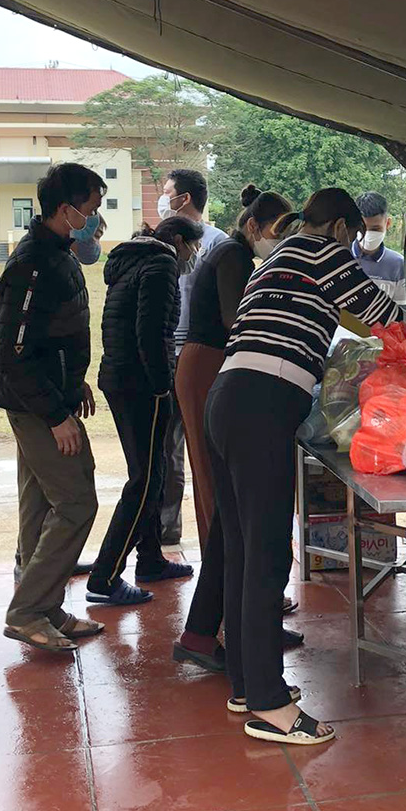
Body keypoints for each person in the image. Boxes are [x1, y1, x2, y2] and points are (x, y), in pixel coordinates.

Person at [207, 188, 406, 744]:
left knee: (242, 550)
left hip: (226, 398)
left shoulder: (279, 256)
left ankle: (246, 684)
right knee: (268, 554)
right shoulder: (326, 253)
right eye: (354, 232)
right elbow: (385, 317)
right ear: (341, 227)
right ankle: (270, 705)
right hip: (264, 403)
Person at [172, 185, 302, 671]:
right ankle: (239, 627)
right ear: (253, 226)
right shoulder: (233, 257)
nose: (281, 241)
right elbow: (237, 320)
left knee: (232, 512)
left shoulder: (238, 256)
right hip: (210, 366)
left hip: (218, 367)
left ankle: (231, 625)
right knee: (224, 503)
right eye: (277, 231)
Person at [0, 162, 108, 655]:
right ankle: (27, 611)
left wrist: (74, 383)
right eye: (92, 209)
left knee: (40, 503)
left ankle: (46, 606)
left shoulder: (57, 254)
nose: (96, 219)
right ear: (66, 210)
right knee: (77, 502)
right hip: (35, 405)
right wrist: (56, 415)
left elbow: (54, 336)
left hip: (50, 396)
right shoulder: (33, 264)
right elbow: (14, 355)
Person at [85, 216, 205, 605]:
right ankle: (105, 576)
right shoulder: (162, 263)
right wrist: (161, 385)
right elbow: (151, 331)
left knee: (150, 472)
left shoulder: (132, 259)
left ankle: (151, 559)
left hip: (120, 377)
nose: (193, 256)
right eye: (193, 247)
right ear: (180, 241)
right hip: (141, 384)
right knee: (146, 480)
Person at [156, 167, 228, 545]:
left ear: (184, 198)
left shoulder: (217, 244)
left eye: (167, 191)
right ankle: (167, 530)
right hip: (168, 354)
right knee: (167, 450)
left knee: (205, 450)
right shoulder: (163, 239)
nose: (163, 198)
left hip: (202, 357)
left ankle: (213, 532)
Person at [352, 191, 406, 306]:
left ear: (387, 223)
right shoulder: (339, 257)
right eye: (362, 228)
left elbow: (401, 310)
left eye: (375, 229)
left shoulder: (398, 265)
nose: (367, 234)